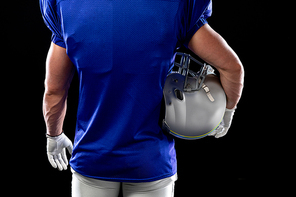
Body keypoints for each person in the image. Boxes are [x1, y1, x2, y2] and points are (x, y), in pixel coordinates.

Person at [41, 0, 244, 196]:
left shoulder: (64, 3)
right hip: (152, 160)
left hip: (92, 156)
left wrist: (54, 135)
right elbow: (232, 68)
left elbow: (54, 90)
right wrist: (227, 110)